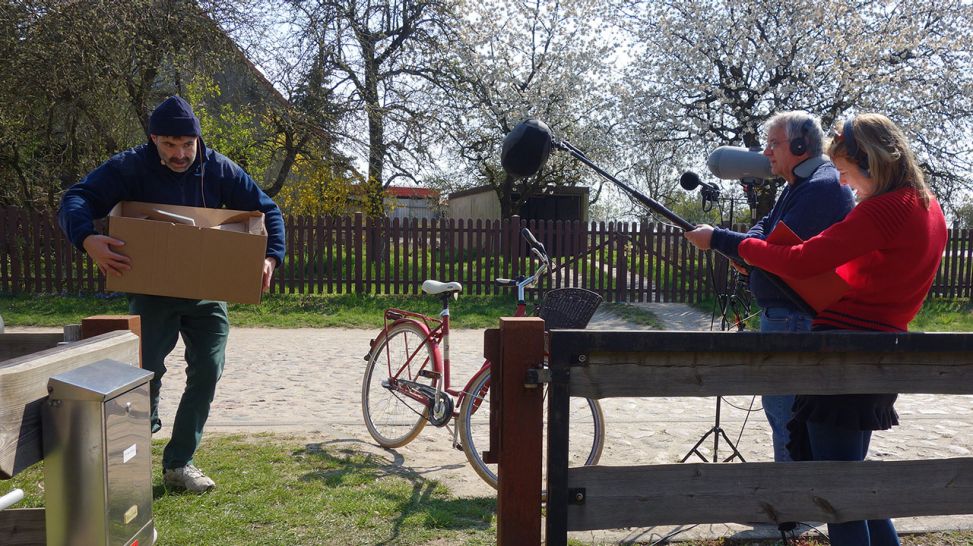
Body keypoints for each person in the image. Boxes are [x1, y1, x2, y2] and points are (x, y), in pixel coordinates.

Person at [687, 113, 947, 545]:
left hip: (844, 356)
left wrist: (724, 241)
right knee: (856, 486)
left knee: (835, 498)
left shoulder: (885, 208)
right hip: (881, 348)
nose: (844, 185)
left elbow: (805, 260)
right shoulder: (929, 207)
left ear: (872, 161)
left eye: (845, 173)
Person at [58, 96, 285, 493]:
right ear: (153, 139)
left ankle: (180, 464)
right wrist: (87, 238)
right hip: (152, 290)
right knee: (144, 372)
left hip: (208, 291)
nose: (180, 154)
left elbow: (268, 210)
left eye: (187, 145)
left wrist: (270, 257)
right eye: (169, 145)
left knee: (208, 371)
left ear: (198, 138)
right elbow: (76, 198)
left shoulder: (218, 168)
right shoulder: (130, 166)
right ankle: (135, 456)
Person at [685, 111, 855, 462]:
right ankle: (795, 503)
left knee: (786, 416)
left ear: (799, 145)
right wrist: (747, 252)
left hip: (793, 317)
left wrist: (718, 238)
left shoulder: (822, 187)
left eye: (773, 144)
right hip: (786, 315)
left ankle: (792, 507)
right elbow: (764, 229)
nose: (766, 153)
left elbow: (781, 253)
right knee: (785, 415)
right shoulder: (801, 185)